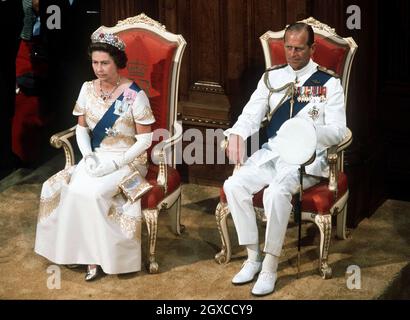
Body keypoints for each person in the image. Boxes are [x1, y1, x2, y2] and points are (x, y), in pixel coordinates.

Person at [223, 22, 347, 296]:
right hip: (274, 152)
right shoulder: (272, 78)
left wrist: (308, 132)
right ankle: (253, 257)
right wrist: (236, 135)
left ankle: (270, 266)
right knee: (233, 185)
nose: (293, 54)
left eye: (299, 48)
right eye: (288, 47)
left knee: (276, 193)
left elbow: (339, 130)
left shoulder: (329, 83)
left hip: (306, 158)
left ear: (312, 48)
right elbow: (250, 114)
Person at [34, 31, 155, 281]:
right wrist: (88, 156)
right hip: (97, 155)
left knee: (94, 193)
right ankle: (81, 254)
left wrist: (115, 162)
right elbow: (81, 128)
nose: (99, 69)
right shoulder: (87, 89)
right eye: (95, 62)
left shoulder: (134, 95)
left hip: (128, 159)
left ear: (118, 62)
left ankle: (101, 258)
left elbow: (145, 140)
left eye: (105, 63)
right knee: (74, 189)